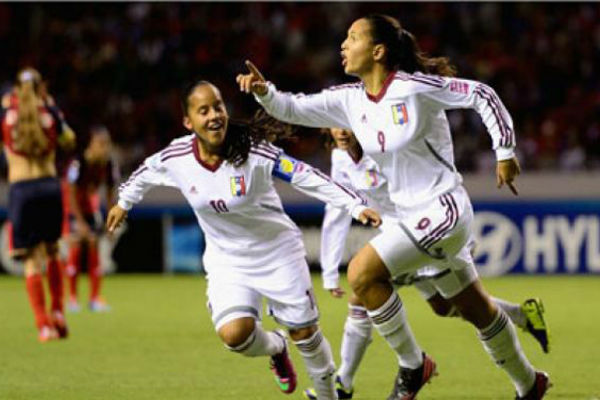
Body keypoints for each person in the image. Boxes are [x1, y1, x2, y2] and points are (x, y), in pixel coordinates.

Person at [237, 14, 550, 400]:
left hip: (443, 209)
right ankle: (529, 383)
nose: (343, 45)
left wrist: (504, 151)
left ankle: (414, 365)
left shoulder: (414, 88)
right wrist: (264, 91)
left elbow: (482, 94)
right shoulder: (349, 100)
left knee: (362, 274)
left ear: (378, 51)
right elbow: (293, 109)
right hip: (410, 218)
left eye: (352, 38)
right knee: (475, 310)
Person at [105, 81, 382, 400]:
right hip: (228, 260)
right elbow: (144, 173)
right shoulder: (176, 157)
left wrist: (355, 204)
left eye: (218, 107)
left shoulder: (253, 150)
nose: (213, 116)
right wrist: (124, 202)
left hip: (277, 252)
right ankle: (277, 347)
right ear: (188, 121)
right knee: (234, 335)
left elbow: (305, 175)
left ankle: (327, 396)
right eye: (203, 110)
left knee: (305, 333)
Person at [304, 128, 549, 400]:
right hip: (399, 236)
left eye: (345, 121)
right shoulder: (340, 158)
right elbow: (337, 206)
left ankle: (345, 383)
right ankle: (523, 331)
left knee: (363, 289)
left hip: (428, 225)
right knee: (452, 307)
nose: (340, 129)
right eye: (333, 122)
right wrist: (328, 270)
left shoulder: (385, 139)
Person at [1, 67, 76, 341]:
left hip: (22, 189)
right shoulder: (49, 111)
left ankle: (43, 324)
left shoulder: (7, 111)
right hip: (49, 186)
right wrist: (54, 112)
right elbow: (69, 140)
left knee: (32, 259)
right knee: (53, 251)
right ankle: (58, 310)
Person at [63, 125, 119, 312]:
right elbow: (70, 194)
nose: (105, 148)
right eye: (101, 144)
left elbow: (111, 195)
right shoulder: (78, 163)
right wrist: (78, 222)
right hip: (72, 208)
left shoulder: (109, 164)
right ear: (91, 145)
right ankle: (72, 299)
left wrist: (112, 222)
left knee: (95, 243)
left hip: (90, 207)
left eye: (107, 144)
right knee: (76, 244)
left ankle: (95, 299)